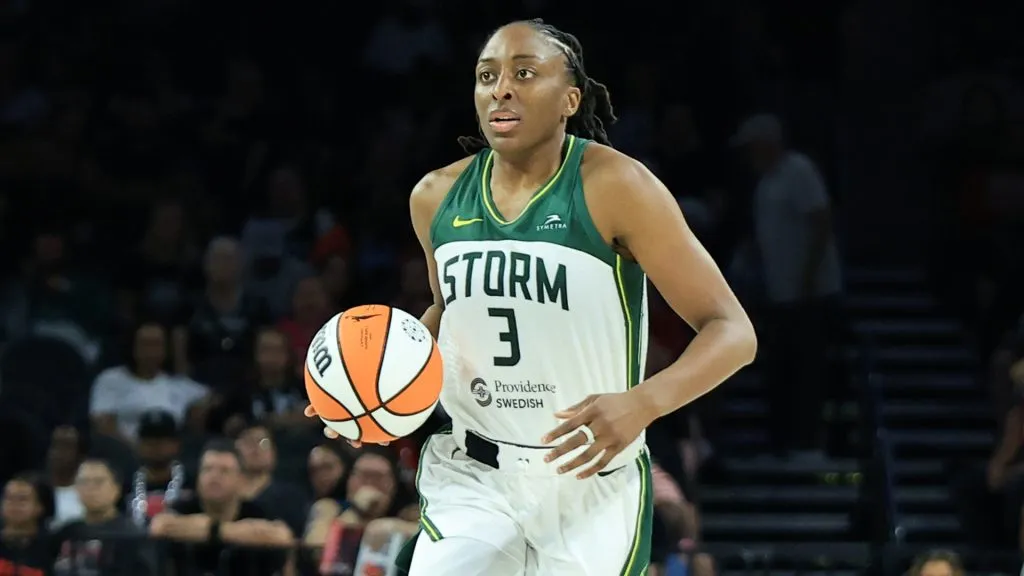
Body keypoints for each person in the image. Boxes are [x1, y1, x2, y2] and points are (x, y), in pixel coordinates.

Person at [306, 19, 756, 575]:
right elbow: (451, 313)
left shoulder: (616, 187)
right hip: (473, 474)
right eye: (486, 76)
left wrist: (643, 403)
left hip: (588, 476)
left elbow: (733, 331)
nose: (501, 89)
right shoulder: (435, 196)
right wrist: (371, 390)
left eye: (524, 73)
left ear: (571, 98)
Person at [731, 113, 842, 459]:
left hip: (810, 294)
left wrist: (809, 277)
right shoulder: (766, 183)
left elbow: (821, 222)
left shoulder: (798, 170)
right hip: (780, 294)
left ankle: (808, 441)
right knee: (781, 368)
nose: (750, 156)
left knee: (808, 369)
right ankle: (782, 440)